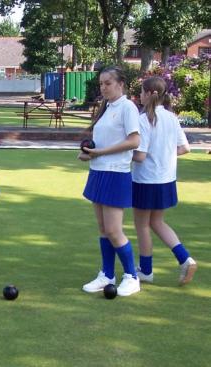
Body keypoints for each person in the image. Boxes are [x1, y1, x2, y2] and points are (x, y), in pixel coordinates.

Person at [78, 66, 141, 297]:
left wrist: (101, 152)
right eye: (101, 83)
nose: (103, 87)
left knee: (114, 230)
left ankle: (131, 277)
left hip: (116, 173)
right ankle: (107, 274)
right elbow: (100, 144)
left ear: (120, 84)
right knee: (104, 229)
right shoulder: (106, 108)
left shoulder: (128, 107)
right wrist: (89, 153)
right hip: (99, 171)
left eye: (108, 83)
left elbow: (134, 141)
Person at [132, 76, 197, 285]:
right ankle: (185, 258)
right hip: (166, 179)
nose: (139, 96)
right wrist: (163, 157)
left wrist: (119, 154)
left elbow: (140, 156)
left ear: (149, 93)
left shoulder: (143, 120)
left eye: (141, 92)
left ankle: (146, 271)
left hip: (145, 180)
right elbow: (185, 148)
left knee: (142, 225)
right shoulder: (171, 117)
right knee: (157, 222)